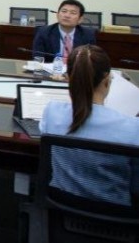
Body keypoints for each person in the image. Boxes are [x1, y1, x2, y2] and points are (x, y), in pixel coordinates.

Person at [40, 45, 139, 206]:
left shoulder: (52, 112)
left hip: (61, 207)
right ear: (107, 80)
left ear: (68, 78)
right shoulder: (133, 127)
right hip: (115, 216)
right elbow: (135, 186)